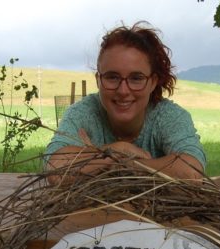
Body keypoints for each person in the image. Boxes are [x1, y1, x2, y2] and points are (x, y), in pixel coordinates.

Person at [44, 22, 206, 182]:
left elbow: (192, 171)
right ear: (98, 80)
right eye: (112, 77)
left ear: (153, 82)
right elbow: (55, 169)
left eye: (136, 78)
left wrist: (126, 164)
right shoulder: (83, 113)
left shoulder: (169, 117)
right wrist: (117, 150)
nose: (123, 91)